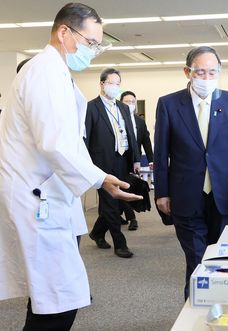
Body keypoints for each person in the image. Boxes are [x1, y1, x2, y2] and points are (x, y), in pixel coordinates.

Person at [0, 3, 141, 330]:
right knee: (58, 302)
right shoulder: (45, 71)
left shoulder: (58, 73)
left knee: (52, 298)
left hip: (47, 194)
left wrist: (96, 176)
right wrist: (100, 178)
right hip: (37, 198)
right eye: (91, 43)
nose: (93, 51)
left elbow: (66, 140)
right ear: (64, 32)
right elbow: (55, 143)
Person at [154, 46, 228, 299]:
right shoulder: (168, 104)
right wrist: (162, 192)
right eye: (200, 72)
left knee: (220, 257)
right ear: (187, 72)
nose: (207, 78)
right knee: (197, 260)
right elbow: (160, 153)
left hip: (223, 194)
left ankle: (218, 309)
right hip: (186, 196)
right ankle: (195, 313)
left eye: (213, 72)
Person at [85, 68, 141, 258]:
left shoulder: (123, 108)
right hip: (101, 163)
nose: (115, 87)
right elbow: (86, 138)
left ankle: (97, 232)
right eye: (111, 83)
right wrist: (87, 166)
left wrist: (135, 159)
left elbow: (131, 134)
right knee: (110, 203)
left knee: (116, 202)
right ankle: (120, 244)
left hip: (122, 159)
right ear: (102, 84)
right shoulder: (90, 107)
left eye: (118, 84)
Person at [120, 90, 154, 230]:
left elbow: (146, 141)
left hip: (134, 160)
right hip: (119, 160)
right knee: (122, 188)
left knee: (127, 188)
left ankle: (116, 216)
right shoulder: (118, 120)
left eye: (133, 102)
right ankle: (131, 218)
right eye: (127, 102)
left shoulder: (140, 121)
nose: (130, 104)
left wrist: (151, 160)